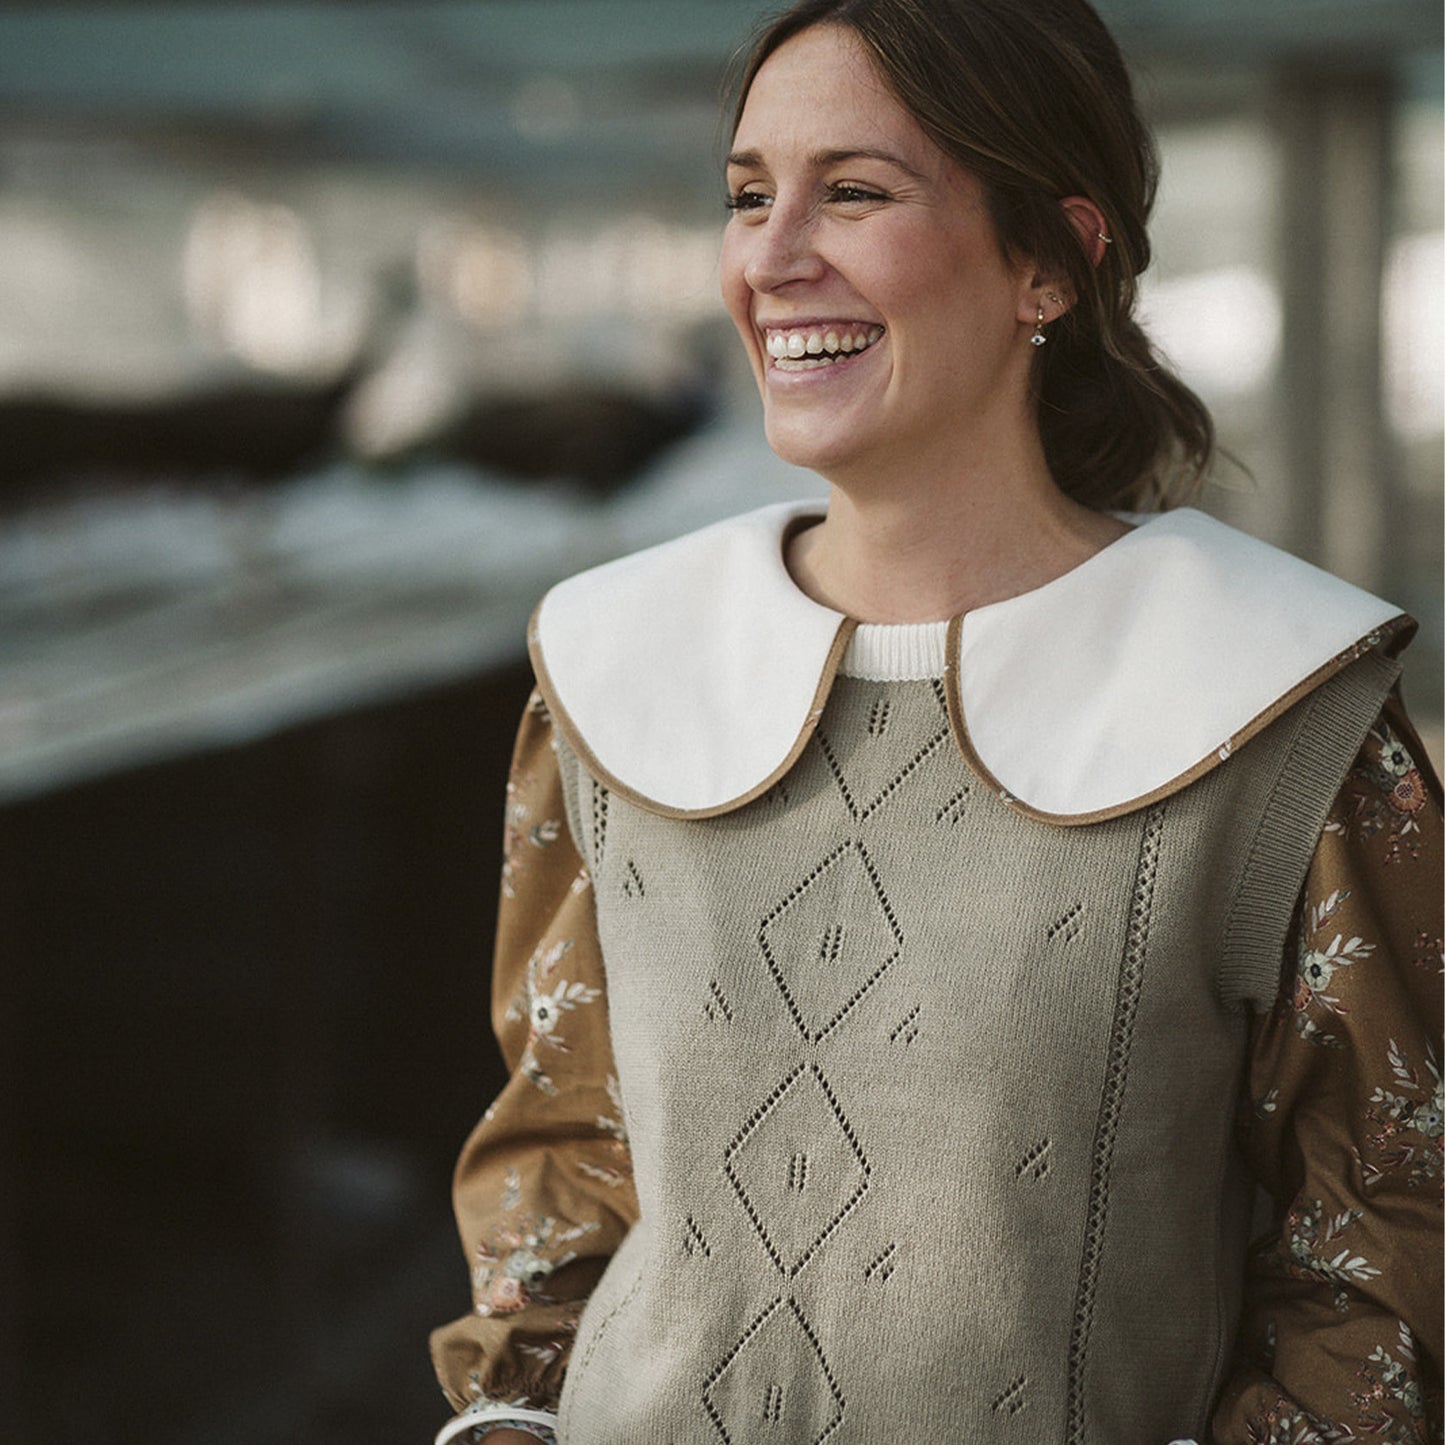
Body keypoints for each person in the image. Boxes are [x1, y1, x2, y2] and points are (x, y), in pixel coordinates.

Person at [429, 1, 1443, 1440]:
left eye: (853, 190)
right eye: (744, 195)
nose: (772, 256)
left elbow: (1386, 1248)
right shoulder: (608, 673)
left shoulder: (1279, 702)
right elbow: (561, 1177)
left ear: (1051, 259)